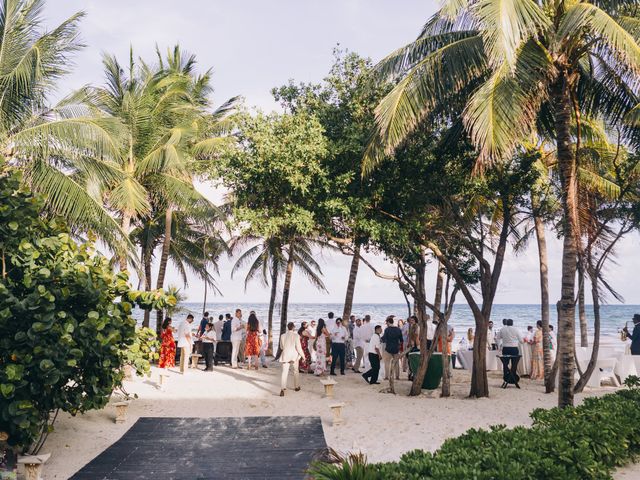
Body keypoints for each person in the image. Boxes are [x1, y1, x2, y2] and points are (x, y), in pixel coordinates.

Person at [279, 322, 305, 396]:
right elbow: (299, 348)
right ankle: (296, 387)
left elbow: (281, 347)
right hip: (294, 356)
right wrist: (303, 356)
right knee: (296, 371)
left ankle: (282, 388)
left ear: (288, 327)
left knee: (284, 372)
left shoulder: (282, 336)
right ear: (293, 327)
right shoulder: (296, 336)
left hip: (285, 355)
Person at [381, 316, 403, 393]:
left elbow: (384, 339)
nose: (386, 324)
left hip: (388, 348)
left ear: (388, 322)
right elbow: (401, 340)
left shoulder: (387, 329)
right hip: (396, 348)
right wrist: (399, 345)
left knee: (387, 362)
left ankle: (387, 376)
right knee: (396, 363)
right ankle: (397, 376)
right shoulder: (398, 329)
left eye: (386, 322)